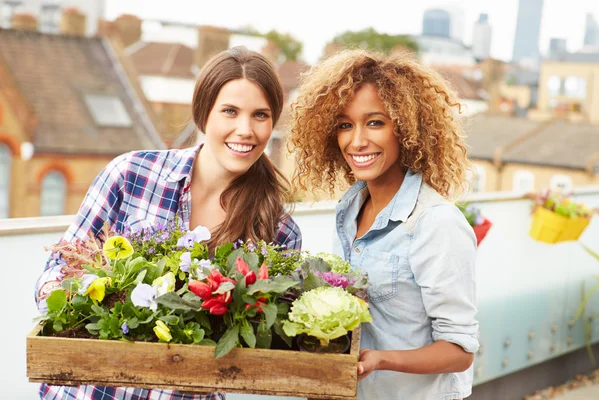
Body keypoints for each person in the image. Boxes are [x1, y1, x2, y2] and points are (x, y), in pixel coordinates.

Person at [34, 46, 302, 400]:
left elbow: (257, 349)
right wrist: (89, 293)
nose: (245, 129)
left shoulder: (278, 232)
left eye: (260, 115)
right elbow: (54, 273)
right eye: (230, 111)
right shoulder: (131, 174)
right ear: (203, 114)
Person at [289, 49, 479, 400]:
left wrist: (381, 359)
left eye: (375, 122)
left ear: (405, 129)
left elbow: (460, 351)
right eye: (345, 125)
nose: (357, 140)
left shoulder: (435, 222)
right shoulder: (350, 210)